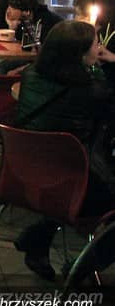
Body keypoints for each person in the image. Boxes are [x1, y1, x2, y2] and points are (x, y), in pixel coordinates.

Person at [12, 21, 114, 280]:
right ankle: (83, 267)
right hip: (71, 184)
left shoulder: (31, 75)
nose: (99, 48)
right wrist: (101, 69)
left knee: (65, 174)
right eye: (95, 45)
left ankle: (38, 240)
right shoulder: (93, 90)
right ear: (80, 55)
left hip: (23, 174)